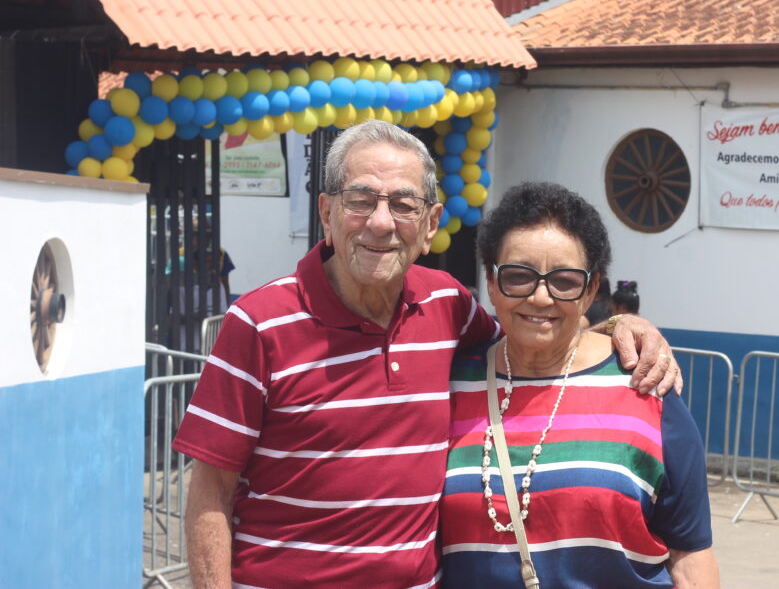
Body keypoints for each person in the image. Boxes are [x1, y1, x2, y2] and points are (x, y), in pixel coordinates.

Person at [172, 120, 680, 588]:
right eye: (360, 200)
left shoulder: (447, 304)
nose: (380, 223)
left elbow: (533, 332)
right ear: (327, 212)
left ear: (431, 223)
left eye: (403, 204)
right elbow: (210, 490)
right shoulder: (259, 324)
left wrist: (620, 325)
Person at [441, 182, 719, 588]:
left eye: (565, 281)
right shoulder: (451, 383)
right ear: (491, 280)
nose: (540, 297)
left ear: (590, 290)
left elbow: (689, 554)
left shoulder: (645, 386)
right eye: (518, 276)